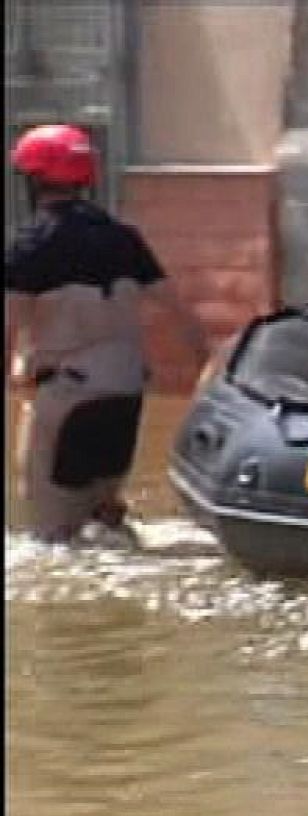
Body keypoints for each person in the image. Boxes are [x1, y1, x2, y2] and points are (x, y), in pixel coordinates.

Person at [5, 123, 209, 544]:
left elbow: (8, 328)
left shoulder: (29, 246)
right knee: (104, 516)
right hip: (126, 393)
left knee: (50, 536)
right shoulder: (124, 238)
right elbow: (183, 319)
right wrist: (206, 383)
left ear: (32, 180)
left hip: (67, 396)